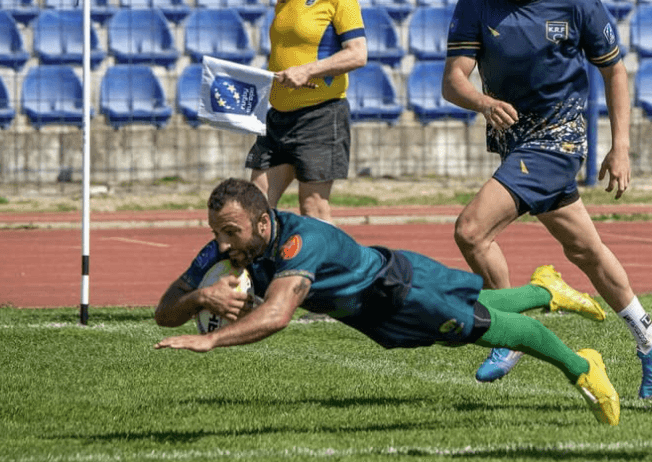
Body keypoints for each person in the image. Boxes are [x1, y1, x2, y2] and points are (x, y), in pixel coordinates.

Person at [153, 178, 621, 426]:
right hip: (372, 313)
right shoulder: (229, 246)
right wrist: (199, 295)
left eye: (229, 232)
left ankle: (581, 366)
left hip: (399, 289)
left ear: (261, 223)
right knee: (478, 303)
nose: (221, 244)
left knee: (482, 326)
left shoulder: (300, 243)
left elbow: (276, 316)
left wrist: (211, 343)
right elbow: (163, 311)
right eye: (215, 232)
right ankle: (546, 289)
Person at [441, 0, 652, 397]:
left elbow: (615, 73)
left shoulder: (577, 7)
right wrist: (482, 102)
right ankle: (651, 336)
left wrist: (622, 145)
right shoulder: (476, 3)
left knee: (471, 229)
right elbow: (453, 80)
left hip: (558, 142)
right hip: (519, 144)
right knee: (586, 250)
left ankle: (506, 330)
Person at [245, 0, 367, 221]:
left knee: (313, 208)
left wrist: (307, 71)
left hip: (320, 115)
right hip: (278, 116)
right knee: (254, 204)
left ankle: (336, 269)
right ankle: (263, 268)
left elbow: (358, 54)